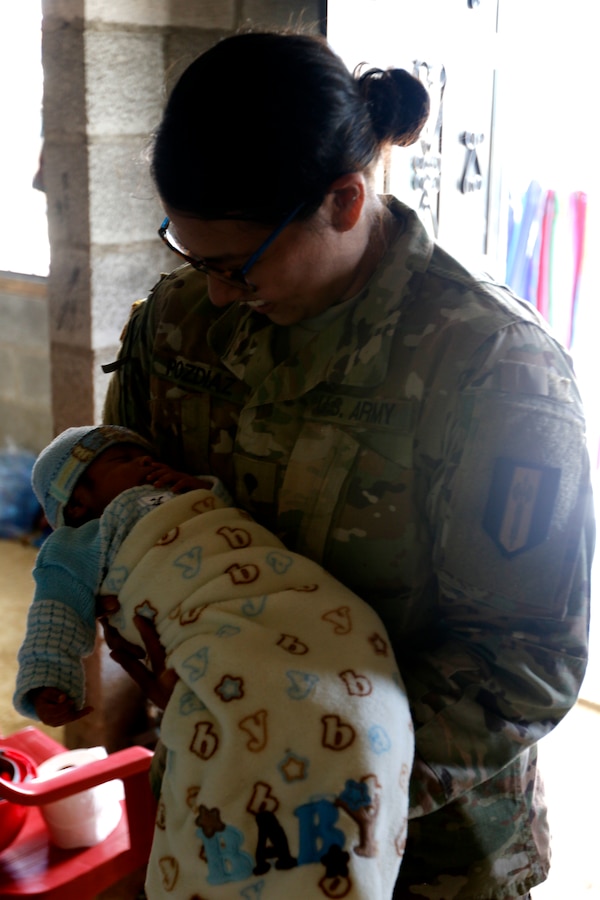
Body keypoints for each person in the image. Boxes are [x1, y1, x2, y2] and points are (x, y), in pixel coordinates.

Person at [100, 28, 594, 900]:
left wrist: (313, 759)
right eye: (190, 255)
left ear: (343, 200)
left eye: (236, 264)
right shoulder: (181, 322)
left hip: (428, 849)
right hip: (216, 803)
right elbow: (125, 520)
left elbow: (525, 662)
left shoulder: (491, 371)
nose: (213, 293)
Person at [14, 424, 414, 899]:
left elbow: (233, 529)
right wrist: (49, 679)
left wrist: (204, 489)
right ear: (77, 503)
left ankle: (337, 821)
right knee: (239, 716)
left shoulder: (187, 490)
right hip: (211, 622)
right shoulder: (78, 543)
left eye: (145, 456)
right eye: (122, 460)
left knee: (345, 645)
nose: (144, 463)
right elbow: (55, 613)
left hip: (287, 601)